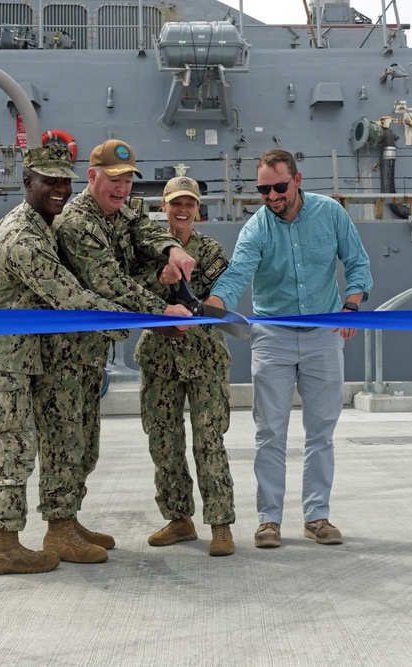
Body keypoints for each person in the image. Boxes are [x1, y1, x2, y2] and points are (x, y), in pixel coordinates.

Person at [0, 144, 129, 575]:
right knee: (14, 446)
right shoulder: (24, 237)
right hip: (0, 356)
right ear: (27, 184)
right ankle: (3, 543)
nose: (59, 190)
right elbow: (67, 297)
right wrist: (134, 319)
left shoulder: (42, 223)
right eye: (49, 182)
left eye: (64, 182)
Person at [206, 149, 373, 549]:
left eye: (279, 186)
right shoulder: (256, 229)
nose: (271, 196)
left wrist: (350, 308)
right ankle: (269, 521)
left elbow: (358, 264)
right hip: (272, 337)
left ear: (297, 180)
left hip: (323, 333)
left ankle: (317, 517)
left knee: (321, 432)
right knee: (269, 433)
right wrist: (214, 305)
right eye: (263, 189)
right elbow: (238, 274)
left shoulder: (331, 213)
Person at [43, 139, 195, 562]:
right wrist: (161, 312)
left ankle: (69, 520)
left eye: (128, 180)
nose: (123, 188)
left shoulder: (120, 209)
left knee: (86, 442)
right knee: (64, 439)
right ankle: (57, 529)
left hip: (91, 351)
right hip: (65, 352)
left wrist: (171, 246)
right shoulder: (78, 222)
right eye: (114, 180)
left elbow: (144, 227)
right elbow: (106, 281)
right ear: (91, 177)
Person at [131, 176, 236, 557]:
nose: (182, 210)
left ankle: (221, 523)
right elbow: (133, 292)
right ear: (164, 206)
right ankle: (179, 519)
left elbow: (211, 300)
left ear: (197, 208)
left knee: (210, 441)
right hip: (160, 359)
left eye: (189, 203)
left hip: (204, 357)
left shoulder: (210, 250)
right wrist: (160, 279)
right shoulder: (148, 250)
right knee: (164, 441)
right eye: (176, 203)